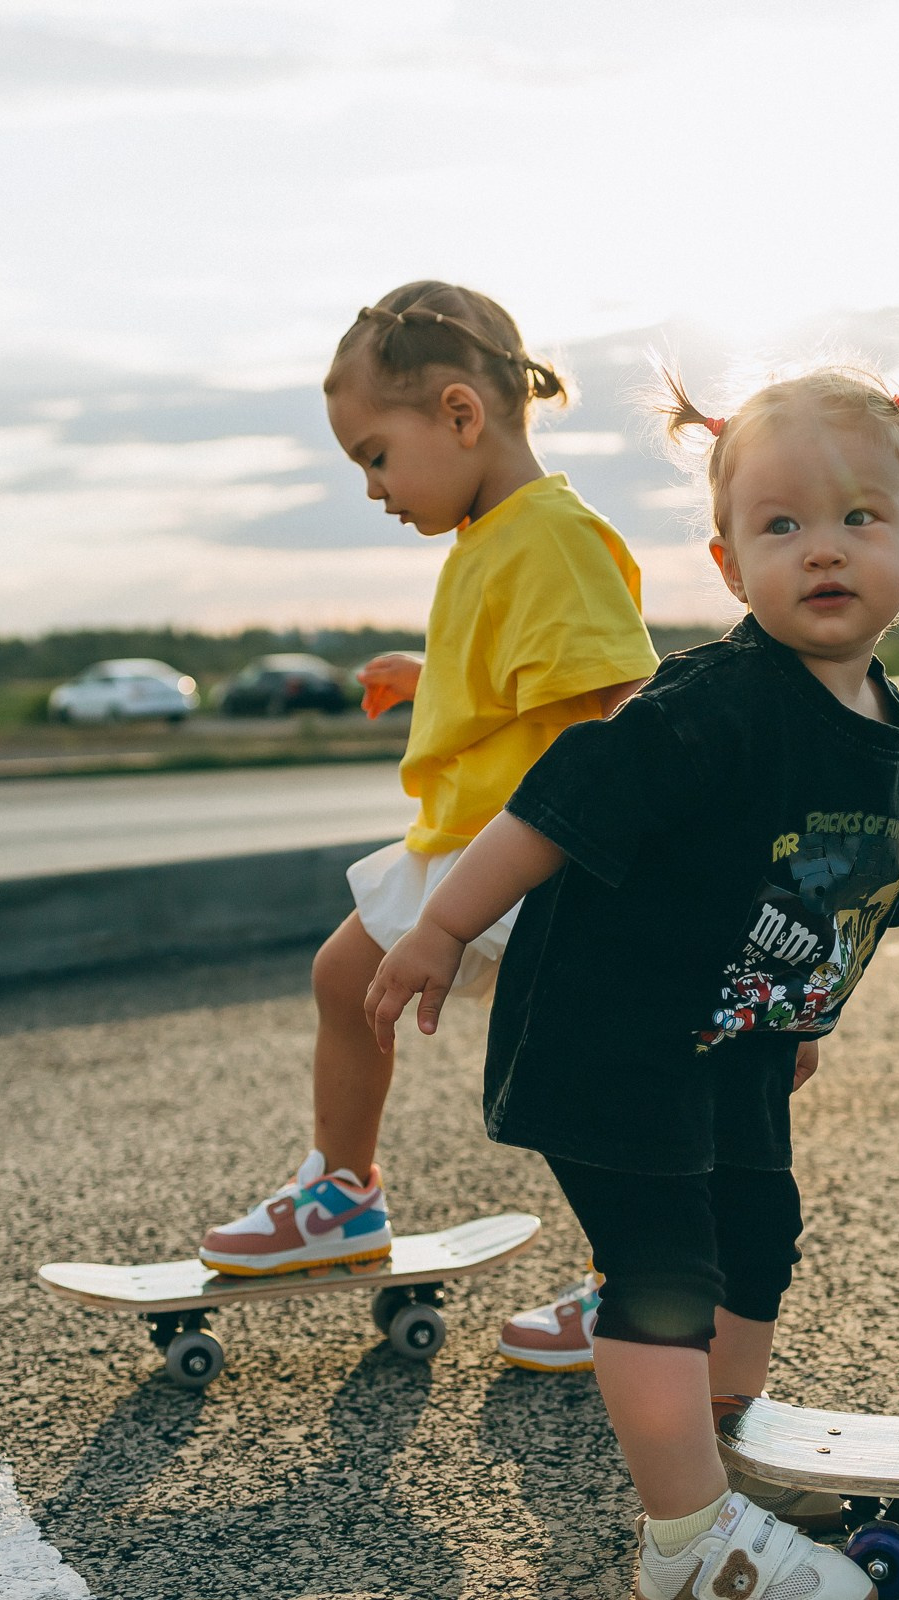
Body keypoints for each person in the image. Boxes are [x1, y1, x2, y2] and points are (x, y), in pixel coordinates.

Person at [365, 344, 899, 1600]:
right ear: (729, 564)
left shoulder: (893, 748)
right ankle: (688, 1539)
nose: (821, 550)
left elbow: (842, 902)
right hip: (611, 1034)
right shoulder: (713, 705)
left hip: (731, 1040)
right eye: (780, 525)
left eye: (858, 519)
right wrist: (443, 926)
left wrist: (802, 1018)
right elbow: (554, 805)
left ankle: (723, 1452)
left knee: (758, 1236)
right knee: (665, 1269)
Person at [199, 282, 659, 1280]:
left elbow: (625, 702)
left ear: (459, 413)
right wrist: (433, 676)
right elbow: (519, 680)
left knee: (578, 1071)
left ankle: (641, 1281)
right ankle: (341, 1194)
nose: (373, 487)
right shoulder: (491, 536)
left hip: (533, 853)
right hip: (463, 843)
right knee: (344, 978)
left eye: (375, 455)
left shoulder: (550, 535)